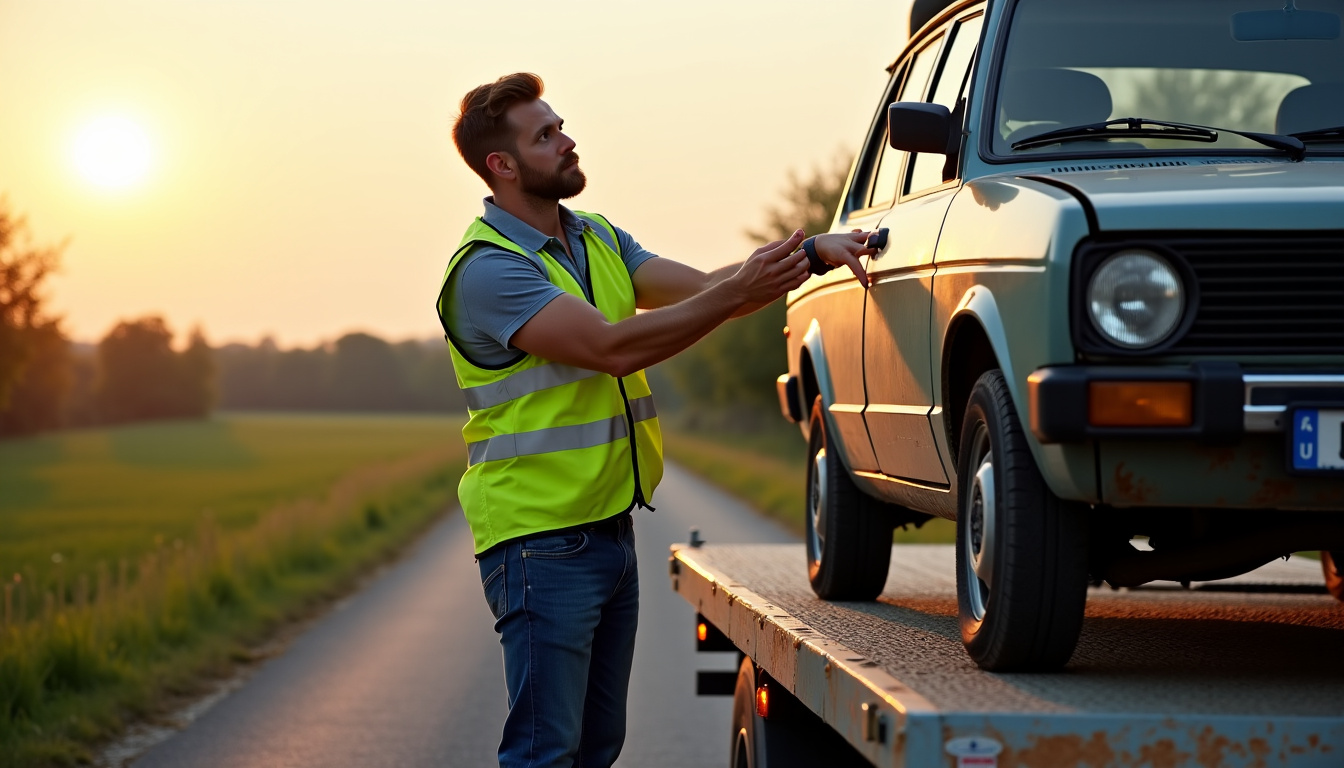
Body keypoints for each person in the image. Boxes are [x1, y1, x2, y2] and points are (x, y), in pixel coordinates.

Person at [438, 72, 874, 768]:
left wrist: (812, 253)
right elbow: (611, 348)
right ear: (503, 165)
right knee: (545, 753)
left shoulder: (597, 238)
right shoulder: (489, 270)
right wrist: (736, 291)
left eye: (560, 125)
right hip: (538, 543)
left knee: (595, 748)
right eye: (545, 136)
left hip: (608, 532)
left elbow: (708, 292)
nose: (568, 140)